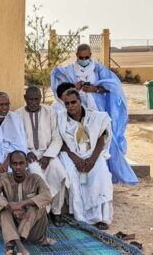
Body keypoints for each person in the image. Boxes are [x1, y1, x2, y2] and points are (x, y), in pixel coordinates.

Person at [51, 43, 136, 184]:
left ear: (90, 56)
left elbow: (113, 87)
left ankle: (102, 175)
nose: (84, 59)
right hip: (74, 111)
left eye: (86, 57)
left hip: (96, 109)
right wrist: (74, 88)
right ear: (76, 56)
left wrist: (95, 89)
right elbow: (59, 89)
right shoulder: (68, 70)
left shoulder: (98, 69)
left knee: (101, 139)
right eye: (81, 57)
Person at [58, 89, 113, 229]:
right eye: (67, 103)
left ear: (80, 101)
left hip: (93, 153)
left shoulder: (96, 117)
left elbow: (101, 138)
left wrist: (92, 160)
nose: (70, 106)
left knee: (101, 174)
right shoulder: (61, 118)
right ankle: (80, 216)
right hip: (71, 153)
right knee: (72, 174)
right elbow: (61, 142)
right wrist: (75, 159)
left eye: (73, 102)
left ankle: (102, 217)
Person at [15, 86, 66, 226]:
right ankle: (43, 212)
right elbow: (15, 138)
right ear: (25, 98)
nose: (33, 102)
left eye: (36, 99)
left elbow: (57, 137)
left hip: (48, 153)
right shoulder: (17, 114)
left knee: (59, 172)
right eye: (30, 99)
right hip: (28, 155)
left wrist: (48, 156)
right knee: (35, 175)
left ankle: (56, 212)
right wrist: (25, 151)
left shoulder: (50, 112)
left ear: (41, 99)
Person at [0, 151, 55, 255]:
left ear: (27, 163)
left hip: (33, 230)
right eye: (15, 163)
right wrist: (10, 206)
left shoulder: (35, 179)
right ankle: (19, 245)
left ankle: (12, 243)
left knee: (38, 206)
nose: (18, 167)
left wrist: (22, 204)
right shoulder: (4, 178)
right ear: (10, 165)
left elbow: (47, 196)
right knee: (0, 208)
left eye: (21, 163)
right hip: (12, 225)